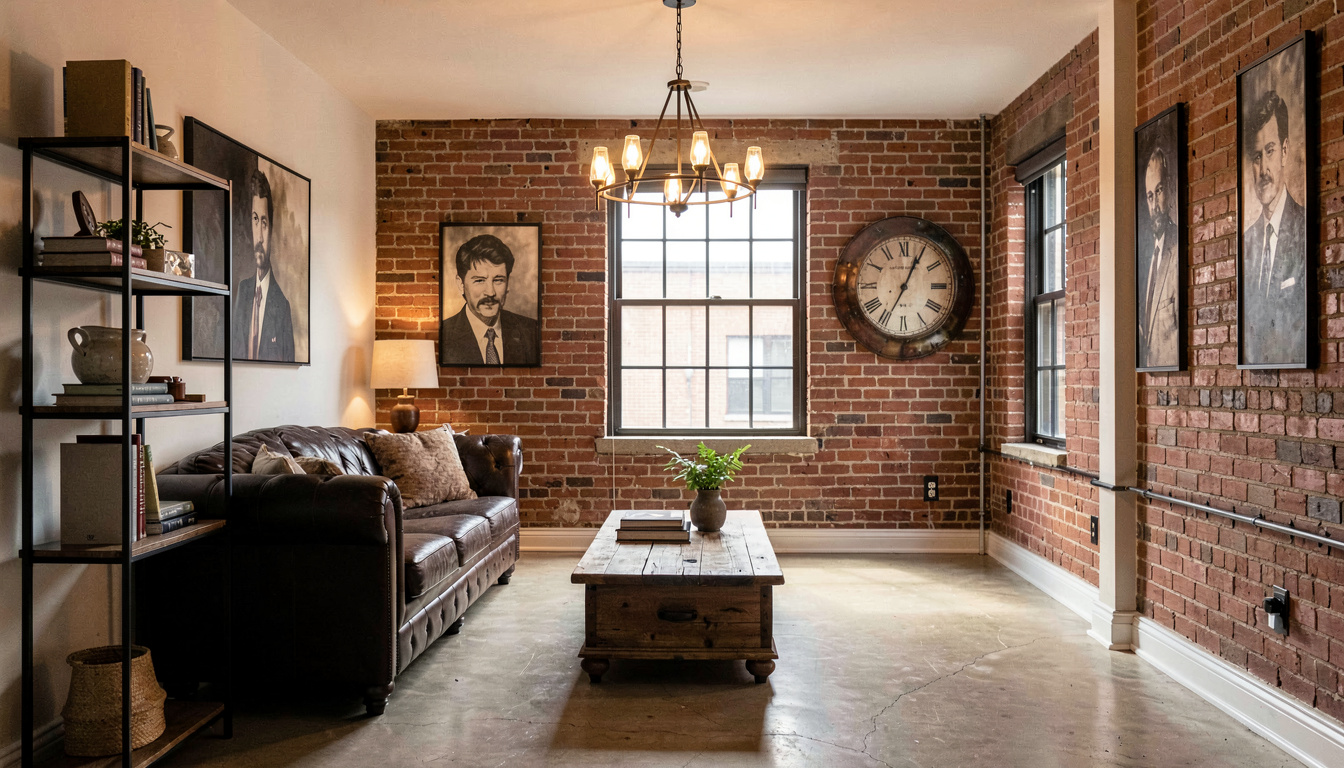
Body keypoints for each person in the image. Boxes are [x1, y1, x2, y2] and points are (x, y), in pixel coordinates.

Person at [1241, 89, 1306, 366]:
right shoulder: (1246, 242)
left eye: (1269, 151)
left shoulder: (1304, 230)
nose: (1263, 168)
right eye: (1256, 157)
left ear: (1284, 151)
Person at [440, 234, 540, 365]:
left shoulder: (531, 331)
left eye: (498, 280)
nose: (490, 292)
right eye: (480, 280)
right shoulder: (444, 335)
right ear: (461, 284)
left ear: (508, 283)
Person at [232, 169, 295, 362]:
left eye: (265, 223)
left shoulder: (282, 306)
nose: (259, 236)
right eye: (255, 220)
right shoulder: (242, 291)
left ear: (272, 231)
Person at [1137, 146, 1180, 369]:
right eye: (1149, 195)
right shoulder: (1146, 261)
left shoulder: (1179, 252)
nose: (1154, 205)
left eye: (1159, 190)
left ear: (1170, 189)